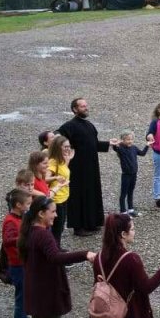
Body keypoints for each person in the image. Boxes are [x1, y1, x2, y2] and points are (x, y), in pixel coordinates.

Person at [17, 196, 95, 318]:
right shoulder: (42, 234)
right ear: (41, 213)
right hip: (47, 290)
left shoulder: (29, 232)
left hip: (35, 288)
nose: (56, 214)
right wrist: (84, 254)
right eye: (52, 211)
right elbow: (56, 257)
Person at [56, 98, 119, 237]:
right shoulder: (68, 126)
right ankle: (78, 227)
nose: (86, 108)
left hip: (91, 167)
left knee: (91, 193)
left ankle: (91, 223)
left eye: (86, 106)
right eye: (82, 106)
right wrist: (67, 153)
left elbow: (94, 144)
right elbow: (57, 138)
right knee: (78, 196)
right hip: (77, 168)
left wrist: (109, 143)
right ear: (74, 109)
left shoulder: (89, 125)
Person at [2, 189, 32, 318]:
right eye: (27, 204)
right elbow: (7, 241)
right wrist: (24, 237)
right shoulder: (10, 221)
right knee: (21, 303)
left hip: (22, 264)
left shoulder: (19, 218)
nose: (29, 206)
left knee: (24, 300)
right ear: (18, 205)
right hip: (18, 266)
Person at [112, 130, 149, 216]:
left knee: (130, 192)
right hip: (126, 175)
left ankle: (131, 210)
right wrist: (116, 143)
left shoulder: (134, 148)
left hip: (134, 174)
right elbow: (115, 148)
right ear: (123, 140)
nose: (130, 141)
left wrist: (147, 145)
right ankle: (123, 211)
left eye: (131, 139)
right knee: (123, 193)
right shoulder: (120, 149)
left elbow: (142, 153)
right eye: (127, 139)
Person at [46, 136, 73, 244]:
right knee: (57, 228)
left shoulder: (62, 160)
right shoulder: (53, 161)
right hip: (57, 200)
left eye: (69, 146)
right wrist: (56, 178)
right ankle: (55, 250)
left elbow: (64, 174)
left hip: (64, 197)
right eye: (65, 147)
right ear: (58, 147)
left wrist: (67, 161)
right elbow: (46, 179)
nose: (68, 149)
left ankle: (57, 247)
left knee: (60, 226)